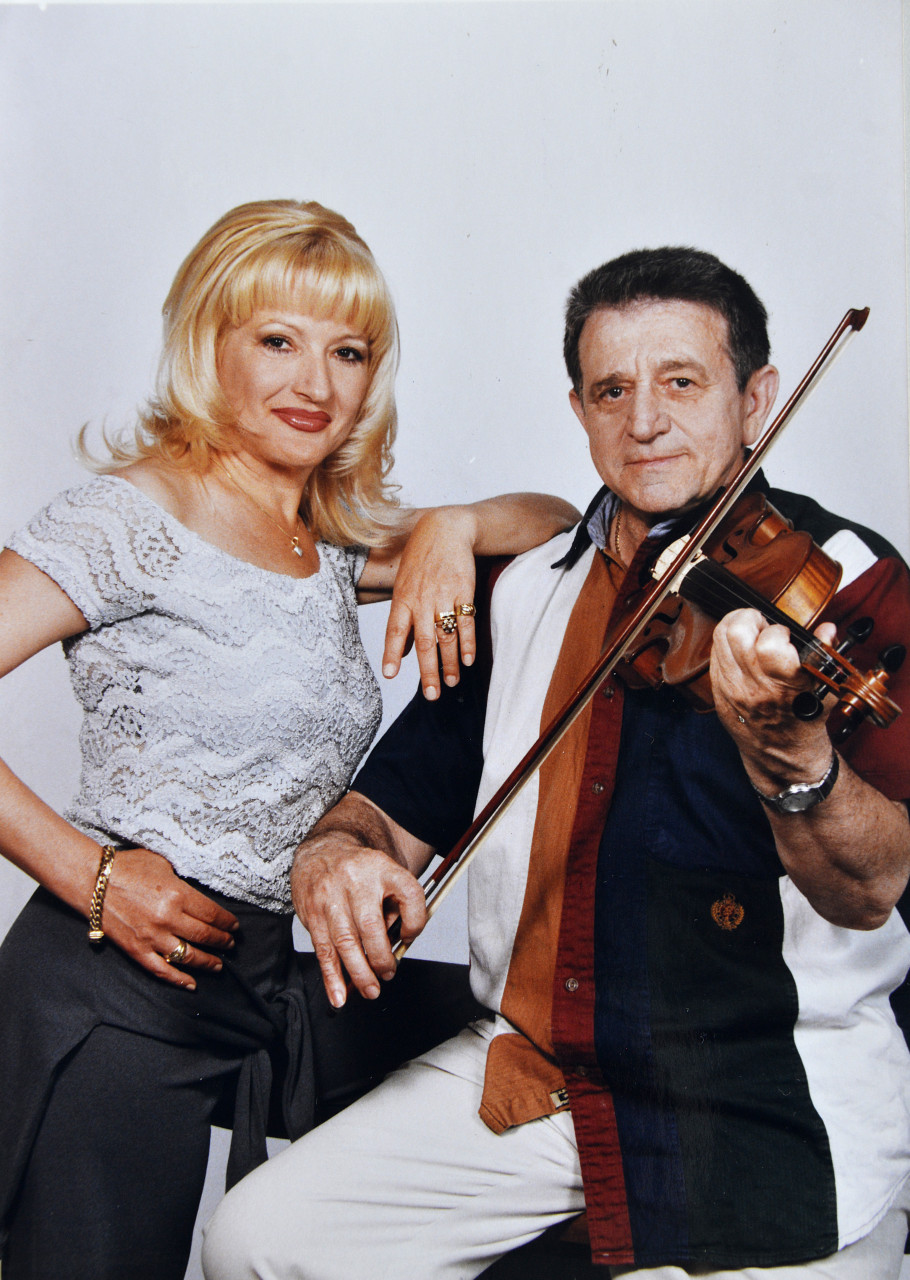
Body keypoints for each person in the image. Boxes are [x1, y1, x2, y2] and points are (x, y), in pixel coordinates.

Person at [203, 247, 910, 1280]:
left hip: (766, 1099)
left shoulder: (843, 584)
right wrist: (335, 856)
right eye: (611, 390)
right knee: (255, 1243)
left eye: (681, 381)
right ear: (579, 409)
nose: (644, 421)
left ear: (756, 398)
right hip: (545, 1072)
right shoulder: (526, 588)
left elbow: (872, 884)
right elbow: (385, 811)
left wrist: (794, 760)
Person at [0, 198, 579, 1280]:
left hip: (266, 981)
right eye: (277, 340)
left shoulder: (324, 538)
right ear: (207, 346)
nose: (315, 381)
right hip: (116, 982)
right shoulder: (129, 516)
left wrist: (449, 527)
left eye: (347, 352)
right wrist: (93, 874)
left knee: (532, 1053)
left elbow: (561, 527)